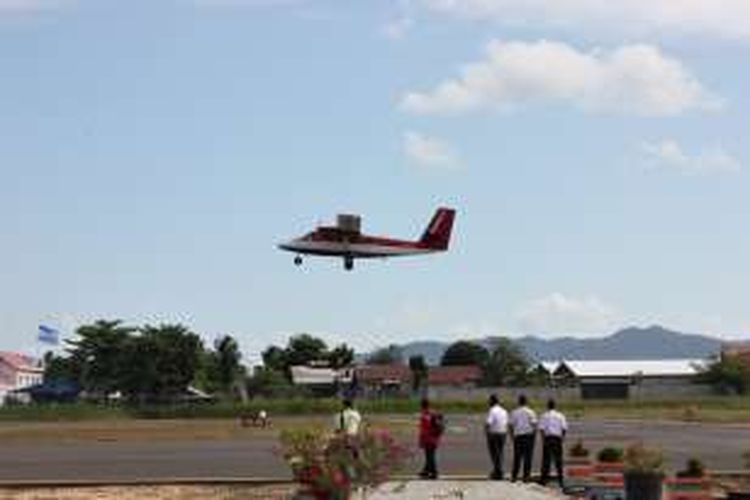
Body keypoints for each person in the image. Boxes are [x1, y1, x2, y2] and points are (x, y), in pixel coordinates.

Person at [539, 398, 568, 488]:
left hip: (548, 438)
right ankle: (561, 480)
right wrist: (562, 438)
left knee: (546, 461)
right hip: (557, 438)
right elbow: (564, 428)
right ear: (555, 406)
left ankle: (544, 480)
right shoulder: (560, 415)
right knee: (558, 461)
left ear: (548, 406)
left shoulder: (544, 415)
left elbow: (542, 429)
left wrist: (543, 439)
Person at [509, 394, 537, 482]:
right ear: (526, 402)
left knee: (517, 457)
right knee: (527, 458)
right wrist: (534, 436)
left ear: (519, 402)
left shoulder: (514, 412)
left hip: (518, 436)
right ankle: (526, 477)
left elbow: (510, 425)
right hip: (528, 436)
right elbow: (534, 424)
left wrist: (512, 436)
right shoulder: (530, 412)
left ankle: (514, 476)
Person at [485, 393, 508, 480]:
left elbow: (488, 423)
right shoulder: (504, 410)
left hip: (494, 434)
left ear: (492, 401)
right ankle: (498, 471)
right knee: (500, 453)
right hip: (503, 433)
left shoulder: (492, 410)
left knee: (495, 454)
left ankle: (498, 472)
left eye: (490, 400)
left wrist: (487, 433)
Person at [418, 398, 441, 479]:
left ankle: (434, 473)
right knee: (429, 456)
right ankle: (426, 471)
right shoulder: (431, 413)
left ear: (422, 406)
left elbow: (425, 428)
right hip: (433, 438)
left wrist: (422, 439)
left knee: (430, 456)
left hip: (429, 438)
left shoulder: (426, 415)